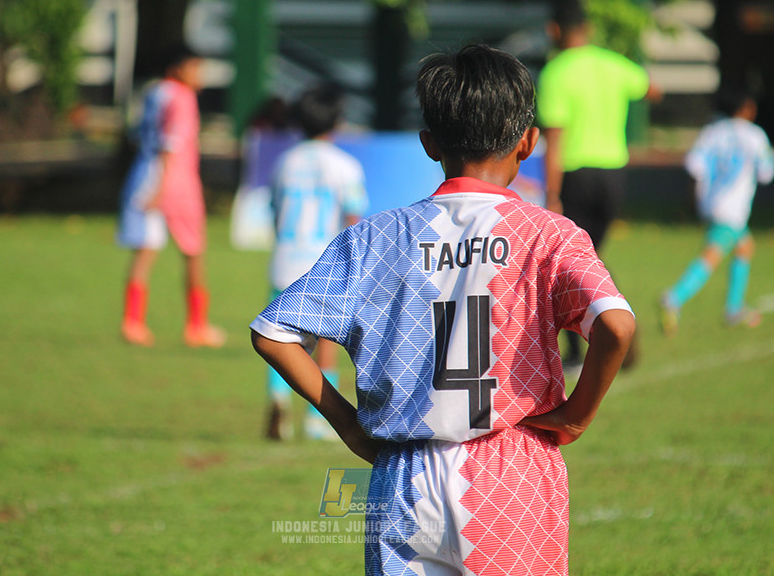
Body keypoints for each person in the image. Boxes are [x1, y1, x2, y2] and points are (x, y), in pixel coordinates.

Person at [250, 44, 635, 575]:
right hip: (511, 470)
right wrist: (577, 414)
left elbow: (273, 332)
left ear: (429, 143)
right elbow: (615, 326)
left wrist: (348, 425)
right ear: (528, 141)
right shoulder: (550, 235)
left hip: (402, 475)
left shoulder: (377, 237)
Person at [537, 0, 659, 372]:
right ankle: (613, 335)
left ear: (554, 30)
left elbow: (554, 140)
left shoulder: (556, 71)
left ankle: (598, 345)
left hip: (577, 175)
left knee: (568, 265)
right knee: (587, 260)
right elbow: (651, 88)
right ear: (587, 29)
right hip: (614, 175)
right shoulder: (612, 64)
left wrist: (552, 194)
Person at [264, 82, 368, 440]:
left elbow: (275, 210)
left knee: (279, 336)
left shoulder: (285, 162)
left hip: (285, 258)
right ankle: (316, 418)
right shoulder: (345, 165)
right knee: (326, 341)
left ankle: (278, 399)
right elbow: (353, 220)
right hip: (324, 264)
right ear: (336, 122)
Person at [117, 44, 226, 348]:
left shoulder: (153, 92)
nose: (200, 74)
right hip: (174, 179)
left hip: (143, 172)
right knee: (193, 251)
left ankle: (132, 322)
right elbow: (171, 142)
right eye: (195, 67)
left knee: (144, 251)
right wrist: (163, 187)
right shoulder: (182, 96)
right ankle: (196, 325)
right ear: (177, 68)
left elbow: (139, 133)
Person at [659, 87, 774, 334]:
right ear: (746, 108)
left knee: (745, 247)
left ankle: (734, 308)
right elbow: (766, 173)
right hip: (734, 207)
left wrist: (693, 202)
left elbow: (694, 166)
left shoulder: (713, 131)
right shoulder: (755, 136)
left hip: (711, 203)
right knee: (711, 255)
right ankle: (674, 297)